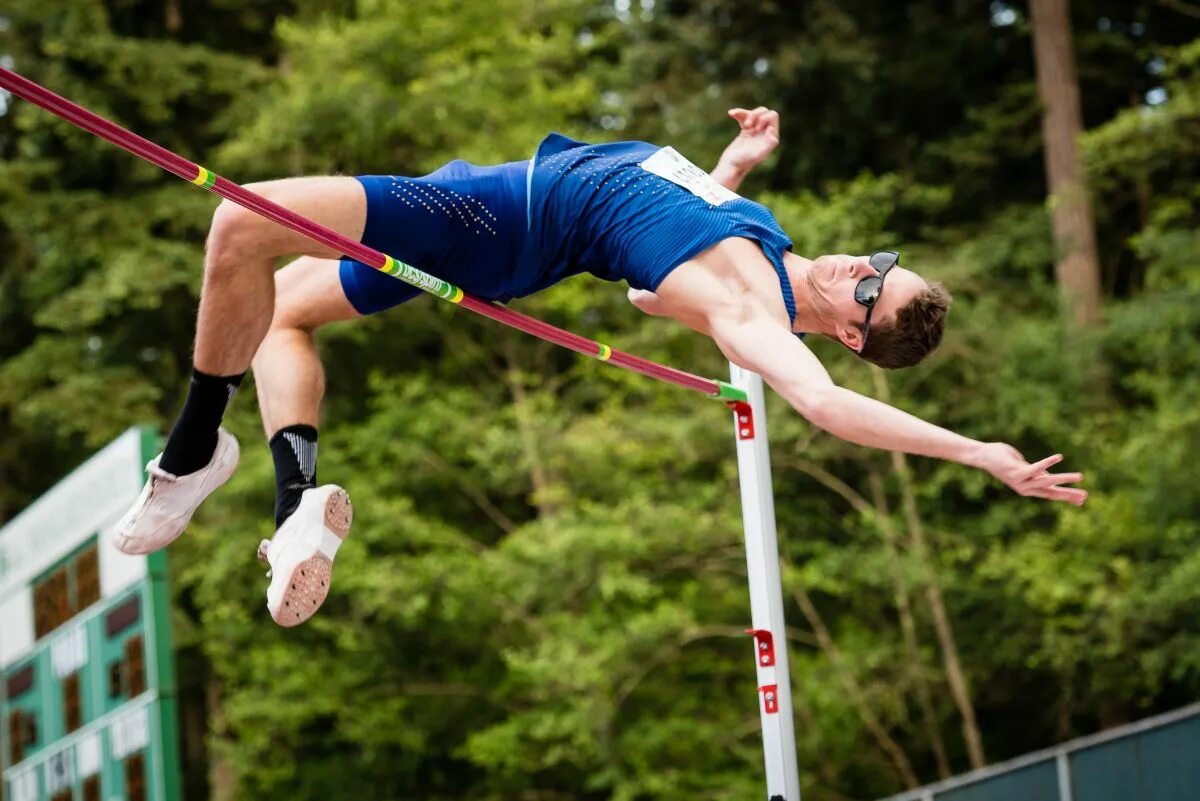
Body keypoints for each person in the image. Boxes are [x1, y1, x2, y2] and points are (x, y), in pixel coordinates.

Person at [113, 107, 1087, 627]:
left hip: (493, 224)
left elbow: (825, 407)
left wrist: (981, 454)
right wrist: (738, 164)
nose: (858, 268)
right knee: (281, 314)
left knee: (240, 223)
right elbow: (645, 288)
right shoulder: (767, 252)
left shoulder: (752, 311)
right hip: (493, 203)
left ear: (852, 332)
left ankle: (192, 453)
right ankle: (295, 512)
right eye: (881, 261)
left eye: (870, 291)